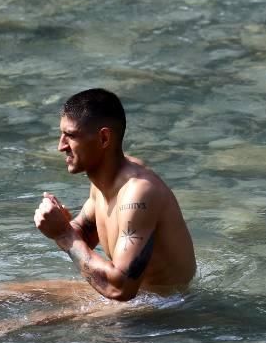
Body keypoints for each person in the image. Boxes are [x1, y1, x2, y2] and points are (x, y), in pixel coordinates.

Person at [33, 88, 197, 301]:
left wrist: (63, 234)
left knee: (5, 329)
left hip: (162, 310)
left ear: (103, 138)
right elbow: (82, 235)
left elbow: (120, 289)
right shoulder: (106, 182)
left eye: (71, 136)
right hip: (133, 301)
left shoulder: (139, 193)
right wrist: (60, 224)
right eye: (62, 134)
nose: (60, 146)